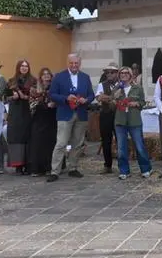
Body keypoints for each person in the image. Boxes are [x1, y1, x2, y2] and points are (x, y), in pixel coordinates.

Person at [47, 53, 95, 182]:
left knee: (77, 143)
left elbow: (91, 95)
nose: (74, 65)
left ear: (80, 64)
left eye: (76, 63)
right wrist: (65, 98)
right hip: (64, 113)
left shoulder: (85, 77)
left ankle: (73, 167)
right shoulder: (59, 77)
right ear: (68, 63)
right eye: (72, 63)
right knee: (61, 143)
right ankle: (55, 171)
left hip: (81, 113)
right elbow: (52, 94)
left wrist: (86, 99)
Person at [112, 66, 152, 179]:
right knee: (121, 148)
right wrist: (114, 99)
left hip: (134, 120)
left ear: (130, 75)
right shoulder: (116, 88)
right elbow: (111, 103)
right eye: (121, 73)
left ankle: (146, 169)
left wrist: (136, 104)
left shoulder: (137, 88)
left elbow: (143, 102)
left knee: (139, 146)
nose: (123, 75)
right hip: (120, 121)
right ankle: (124, 171)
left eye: (126, 73)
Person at [4, 59, 36, 175]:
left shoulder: (33, 81)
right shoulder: (11, 81)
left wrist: (27, 97)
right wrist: (13, 97)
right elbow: (5, 97)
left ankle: (28, 164)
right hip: (15, 112)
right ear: (18, 67)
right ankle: (18, 165)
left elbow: (37, 95)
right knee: (16, 137)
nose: (24, 68)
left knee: (28, 137)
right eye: (22, 66)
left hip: (28, 111)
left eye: (26, 66)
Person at [28, 68, 57, 177]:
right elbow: (31, 103)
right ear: (40, 76)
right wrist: (43, 104)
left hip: (51, 118)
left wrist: (54, 104)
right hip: (39, 118)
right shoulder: (35, 88)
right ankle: (36, 169)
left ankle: (49, 168)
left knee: (50, 144)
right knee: (37, 143)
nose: (46, 76)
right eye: (43, 74)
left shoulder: (55, 87)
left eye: (48, 74)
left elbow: (58, 100)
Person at [95, 63, 120, 174]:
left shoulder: (122, 84)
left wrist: (106, 97)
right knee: (106, 140)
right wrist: (113, 98)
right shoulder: (102, 84)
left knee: (121, 140)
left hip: (119, 115)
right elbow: (99, 98)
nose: (109, 74)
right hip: (106, 115)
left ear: (117, 73)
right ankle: (107, 165)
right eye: (107, 72)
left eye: (112, 72)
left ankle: (122, 165)